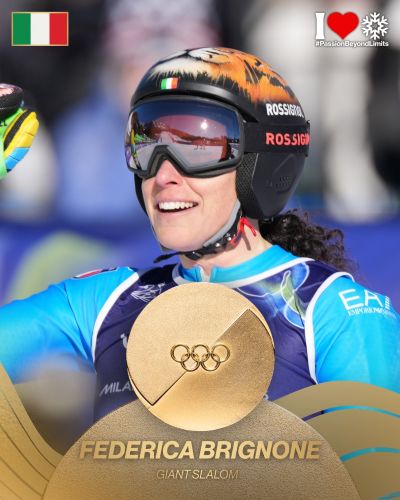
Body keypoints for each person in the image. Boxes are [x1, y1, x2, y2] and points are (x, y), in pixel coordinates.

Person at [0, 48, 399, 424]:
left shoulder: (333, 311)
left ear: (260, 165)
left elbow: (377, 465)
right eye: (146, 144)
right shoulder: (105, 301)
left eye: (197, 147)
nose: (163, 174)